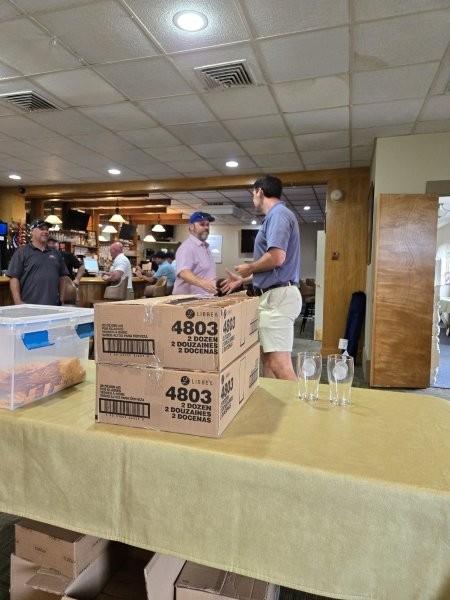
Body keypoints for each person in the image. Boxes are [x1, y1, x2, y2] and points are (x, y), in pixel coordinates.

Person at [221, 175, 302, 380]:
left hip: (278, 298)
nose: (253, 198)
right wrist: (244, 280)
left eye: (253, 194)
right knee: (267, 360)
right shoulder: (276, 216)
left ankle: (297, 402)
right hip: (273, 296)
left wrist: (249, 267)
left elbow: (277, 257)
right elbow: (274, 268)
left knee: (279, 364)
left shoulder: (279, 215)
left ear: (260, 192)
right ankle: (273, 401)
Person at [7, 219, 69, 305]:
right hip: (29, 306)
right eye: (41, 229)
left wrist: (61, 298)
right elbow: (14, 278)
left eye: (47, 229)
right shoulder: (21, 252)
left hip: (53, 306)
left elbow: (63, 276)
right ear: (32, 231)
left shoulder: (56, 253)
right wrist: (18, 301)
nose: (45, 232)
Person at [173, 211, 217, 296]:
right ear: (191, 227)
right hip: (187, 300)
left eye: (207, 225)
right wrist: (203, 284)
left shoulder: (205, 247)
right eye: (202, 224)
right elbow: (183, 272)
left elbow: (205, 274)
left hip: (203, 298)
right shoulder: (187, 247)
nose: (206, 227)